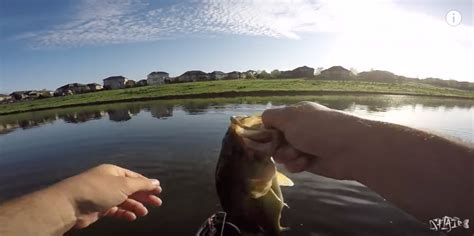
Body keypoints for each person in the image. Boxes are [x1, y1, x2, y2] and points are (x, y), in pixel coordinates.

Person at [0, 101, 472, 235]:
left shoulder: (259, 178)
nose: (243, 146)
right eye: (240, 154)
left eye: (240, 152)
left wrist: (66, 203)